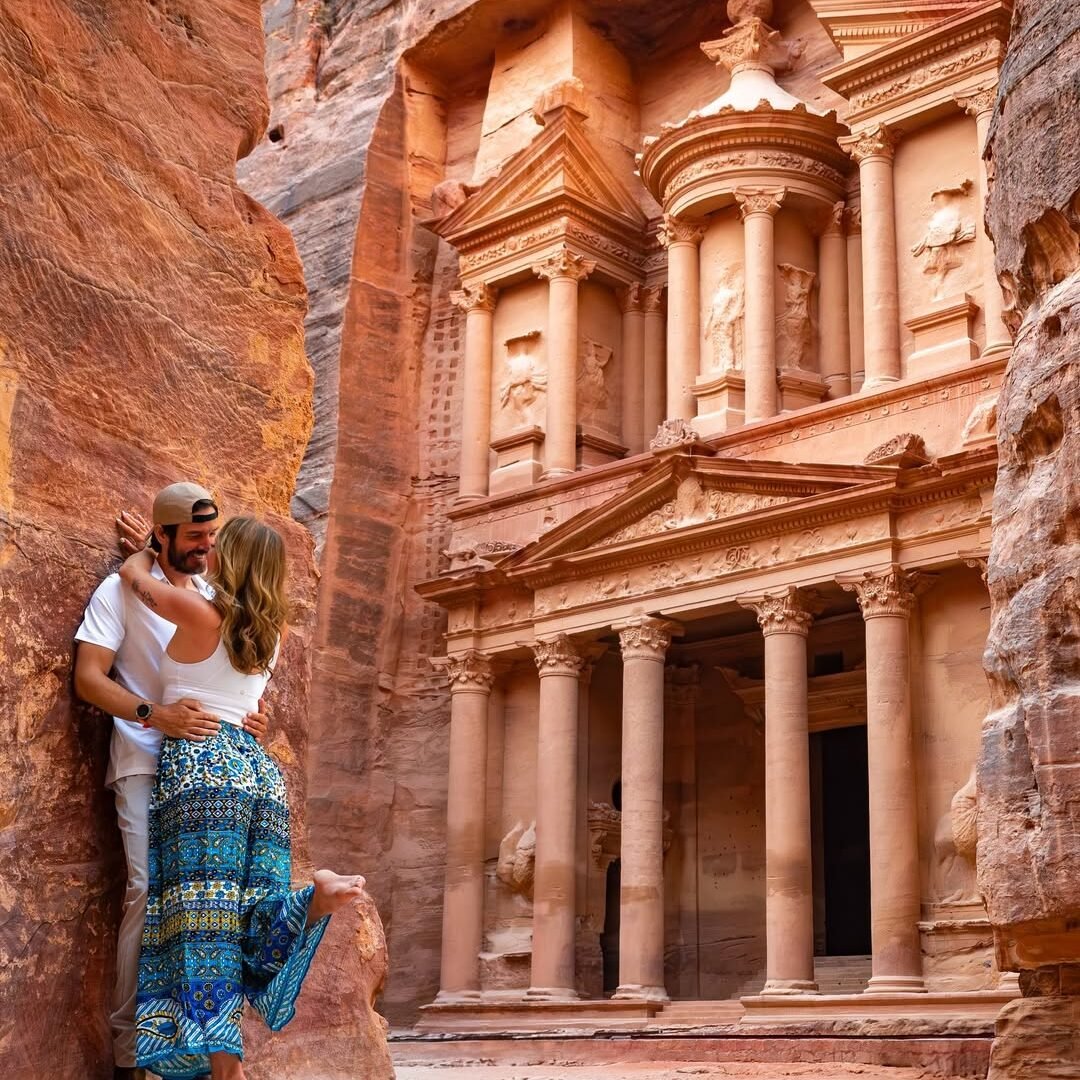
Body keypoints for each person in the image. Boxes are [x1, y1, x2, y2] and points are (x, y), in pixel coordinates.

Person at [118, 514, 366, 1080]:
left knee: (200, 920)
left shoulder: (200, 612)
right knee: (242, 914)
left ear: (226, 557)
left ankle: (218, 1063)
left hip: (202, 769)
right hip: (257, 774)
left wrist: (147, 550)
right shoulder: (269, 632)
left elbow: (137, 580)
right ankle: (308, 905)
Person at [75, 482, 269, 1080]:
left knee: (209, 909)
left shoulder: (212, 595)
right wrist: (155, 715)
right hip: (143, 758)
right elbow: (89, 678)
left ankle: (200, 1048)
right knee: (145, 890)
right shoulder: (117, 591)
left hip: (208, 774)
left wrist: (244, 715)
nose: (206, 548)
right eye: (193, 538)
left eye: (212, 537)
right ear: (162, 535)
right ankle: (135, 1052)